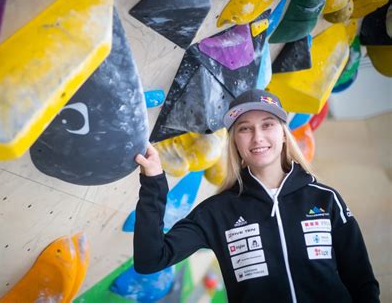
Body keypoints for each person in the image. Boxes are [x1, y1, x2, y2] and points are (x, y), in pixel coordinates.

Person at [133, 89, 380, 303]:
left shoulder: (325, 200)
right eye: (245, 128)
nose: (257, 137)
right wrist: (153, 182)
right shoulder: (216, 213)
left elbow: (361, 281)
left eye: (267, 124)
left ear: (283, 134)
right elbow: (151, 260)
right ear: (235, 143)